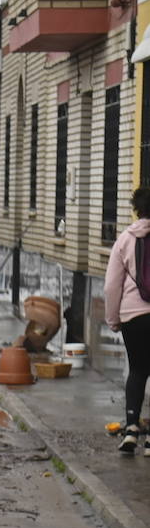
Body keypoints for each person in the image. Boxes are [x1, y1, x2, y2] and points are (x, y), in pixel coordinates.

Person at [104, 187, 150, 456]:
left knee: (138, 371)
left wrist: (113, 319)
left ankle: (132, 427)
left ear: (137, 209)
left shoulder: (124, 239)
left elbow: (112, 285)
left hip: (132, 316)